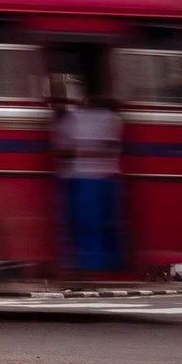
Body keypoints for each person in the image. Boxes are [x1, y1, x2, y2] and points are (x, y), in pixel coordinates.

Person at [51, 71, 124, 276]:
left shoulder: (81, 117)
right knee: (95, 225)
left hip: (86, 177)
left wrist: (76, 152)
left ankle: (93, 265)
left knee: (89, 225)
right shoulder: (105, 117)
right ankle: (97, 265)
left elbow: (67, 150)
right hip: (94, 175)